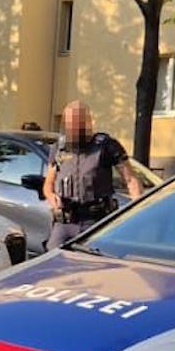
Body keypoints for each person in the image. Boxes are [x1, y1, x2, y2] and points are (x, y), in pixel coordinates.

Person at [42, 100, 143, 251]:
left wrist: (137, 214)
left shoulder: (106, 146)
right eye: (70, 124)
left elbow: (131, 180)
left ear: (88, 122)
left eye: (77, 123)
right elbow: (48, 186)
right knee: (51, 265)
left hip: (96, 223)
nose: (73, 128)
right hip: (64, 224)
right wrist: (51, 197)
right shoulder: (59, 149)